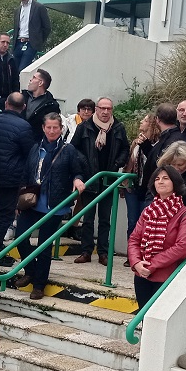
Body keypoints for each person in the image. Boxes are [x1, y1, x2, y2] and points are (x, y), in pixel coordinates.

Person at [12, 114, 86, 300]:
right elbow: (26, 174)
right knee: (20, 236)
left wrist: (78, 180)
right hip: (33, 202)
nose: (52, 131)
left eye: (55, 127)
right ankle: (31, 270)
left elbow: (77, 170)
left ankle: (39, 285)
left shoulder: (68, 150)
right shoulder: (36, 148)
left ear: (61, 129)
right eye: (48, 127)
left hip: (54, 205)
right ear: (43, 128)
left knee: (44, 246)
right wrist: (20, 198)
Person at [70, 97, 129, 265]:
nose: (105, 112)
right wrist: (84, 164)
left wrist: (118, 163)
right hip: (90, 179)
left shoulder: (118, 128)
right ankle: (86, 251)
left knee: (105, 219)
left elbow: (125, 148)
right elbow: (74, 148)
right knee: (88, 218)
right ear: (96, 109)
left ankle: (103, 252)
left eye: (108, 108)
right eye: (102, 108)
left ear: (112, 110)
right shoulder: (85, 127)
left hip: (108, 180)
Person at [128, 165, 186, 310]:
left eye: (166, 178)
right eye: (157, 179)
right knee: (144, 318)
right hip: (141, 275)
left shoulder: (185, 215)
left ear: (175, 183)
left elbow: (182, 247)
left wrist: (152, 265)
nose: (160, 182)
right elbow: (134, 239)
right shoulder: (148, 211)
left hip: (165, 277)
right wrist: (136, 263)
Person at [0, 93, 34, 262]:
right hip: (11, 177)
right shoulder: (24, 126)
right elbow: (30, 152)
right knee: (6, 215)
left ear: (6, 104)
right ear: (23, 107)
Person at [121, 111, 162, 265]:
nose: (141, 122)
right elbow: (129, 163)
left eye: (144, 120)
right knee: (132, 221)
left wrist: (144, 145)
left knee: (145, 222)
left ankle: (143, 254)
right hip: (132, 187)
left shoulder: (157, 143)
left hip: (148, 188)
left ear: (151, 124)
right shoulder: (136, 142)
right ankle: (131, 255)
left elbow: (153, 161)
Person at [13, 0, 52, 71]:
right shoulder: (18, 10)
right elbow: (16, 28)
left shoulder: (39, 7)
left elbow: (47, 27)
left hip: (31, 43)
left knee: (22, 70)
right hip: (18, 43)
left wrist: (38, 41)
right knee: (14, 71)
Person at [146, 103, 186, 173]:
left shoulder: (172, 141)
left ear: (157, 119)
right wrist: (145, 146)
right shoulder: (174, 137)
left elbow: (159, 163)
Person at [22, 68, 60, 141]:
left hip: (36, 144)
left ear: (40, 83)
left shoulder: (51, 105)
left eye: (34, 78)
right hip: (18, 142)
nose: (30, 80)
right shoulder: (22, 97)